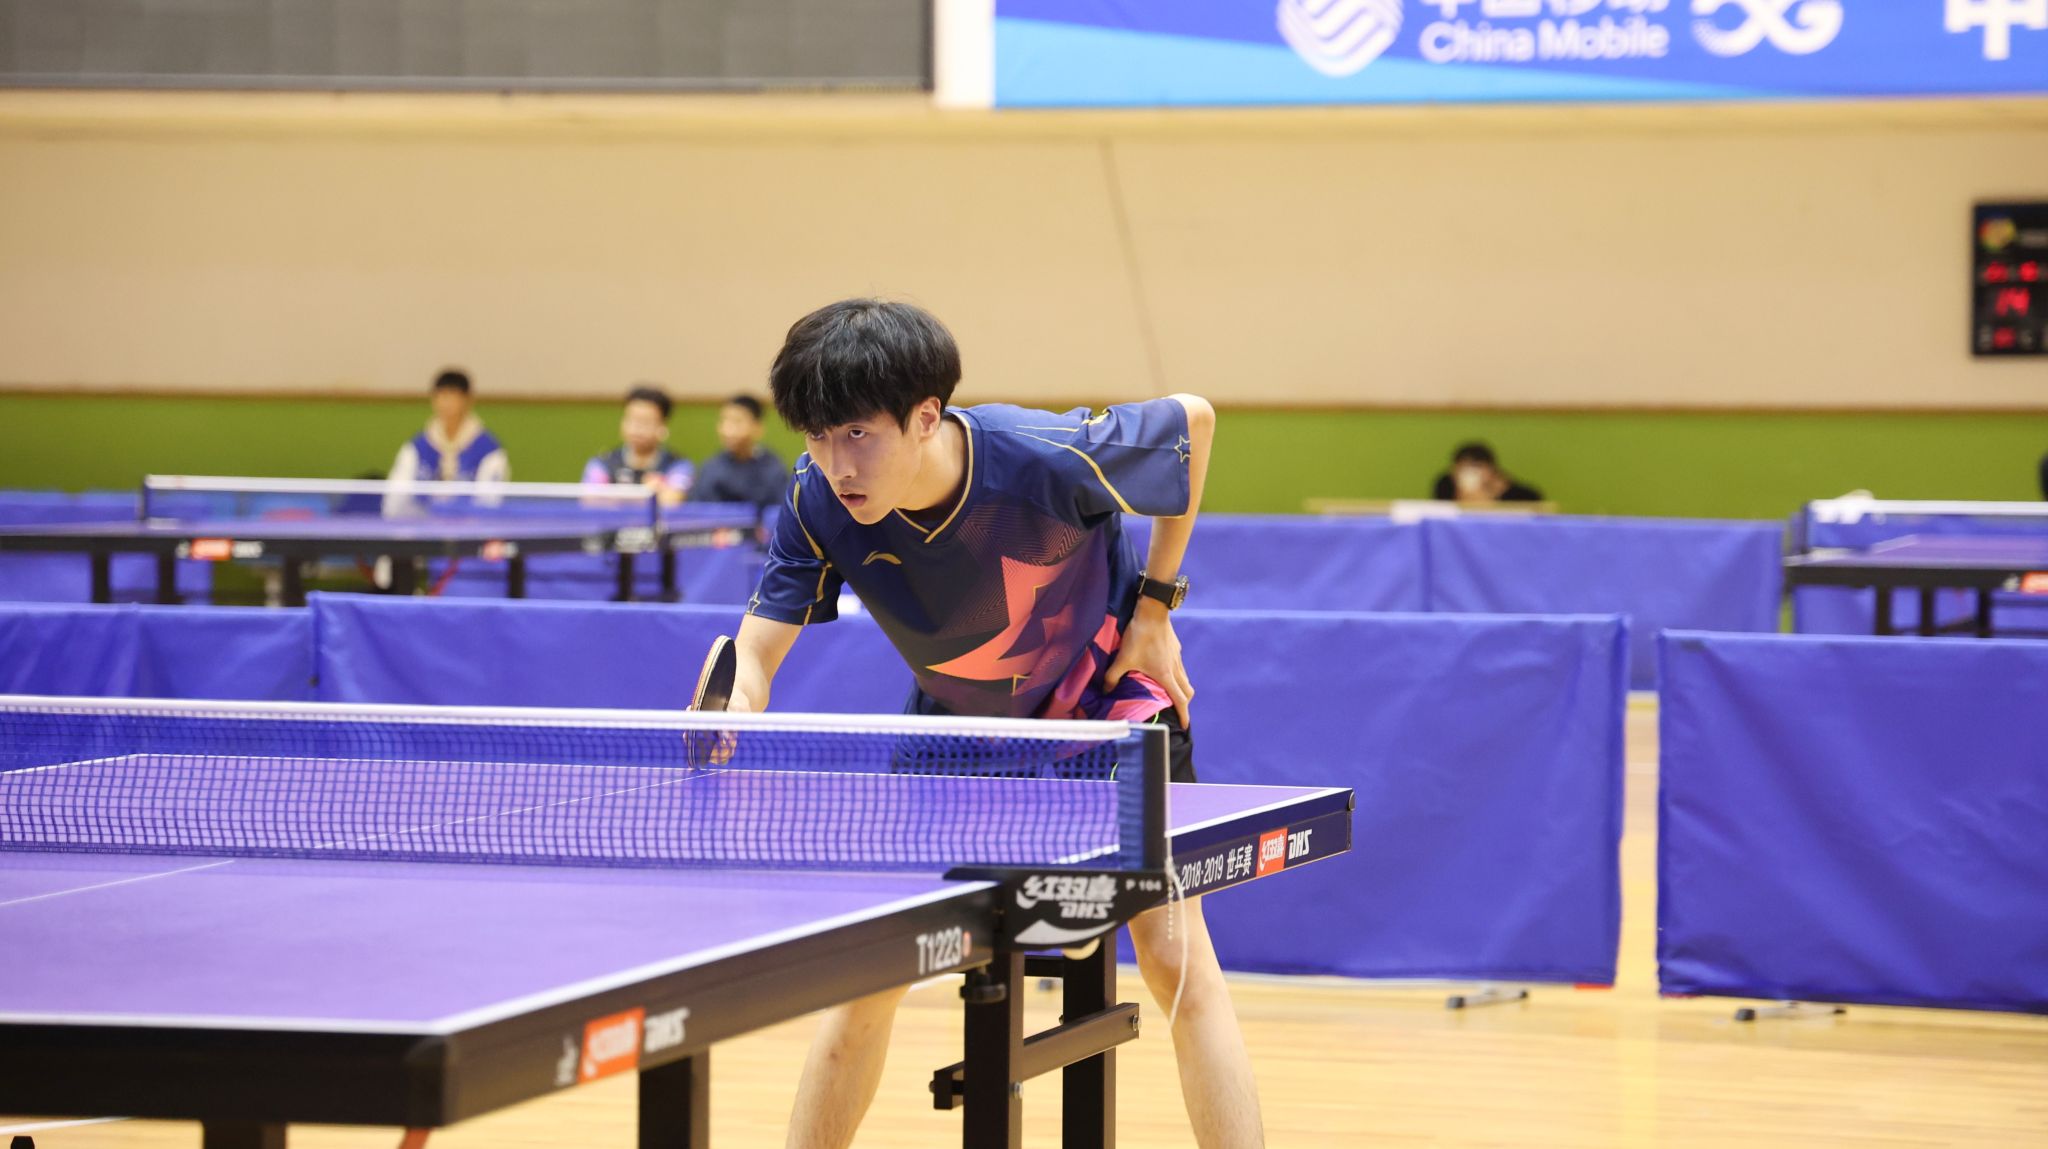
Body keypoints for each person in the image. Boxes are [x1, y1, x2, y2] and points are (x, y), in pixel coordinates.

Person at [723, 299, 1261, 1149]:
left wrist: (1156, 606)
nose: (838, 464)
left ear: (925, 416)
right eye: (818, 437)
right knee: (864, 979)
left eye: (858, 434)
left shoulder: (1038, 457)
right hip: (959, 730)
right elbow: (755, 653)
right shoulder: (815, 499)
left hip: (1102, 713)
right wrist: (734, 706)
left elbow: (1192, 421)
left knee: (1176, 961)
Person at [383, 369, 509, 516]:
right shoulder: (415, 449)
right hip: (423, 526)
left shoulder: (489, 451)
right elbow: (395, 501)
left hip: (470, 528)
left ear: (468, 400)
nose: (446, 403)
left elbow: (489, 503)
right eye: (441, 395)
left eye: (452, 395)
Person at [582, 385, 694, 507]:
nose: (637, 428)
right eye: (632, 420)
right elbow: (590, 501)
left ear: (662, 427)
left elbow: (672, 500)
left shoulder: (678, 465)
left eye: (645, 422)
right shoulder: (603, 462)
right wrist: (646, 494)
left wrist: (614, 497)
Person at [692, 394, 791, 512]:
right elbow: (699, 510)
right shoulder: (711, 467)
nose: (728, 430)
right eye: (724, 421)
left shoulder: (773, 468)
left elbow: (780, 511)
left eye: (737, 422)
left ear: (758, 427)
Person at [1431, 441, 1542, 503]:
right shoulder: (1446, 484)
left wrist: (1494, 496)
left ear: (1492, 470)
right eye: (1464, 468)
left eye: (1477, 467)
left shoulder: (1520, 494)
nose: (1472, 474)